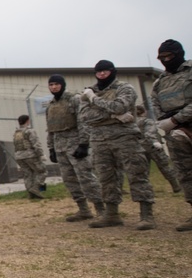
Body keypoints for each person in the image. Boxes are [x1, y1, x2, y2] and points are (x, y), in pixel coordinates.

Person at [78, 60, 155, 229]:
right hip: (99, 140)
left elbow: (119, 106)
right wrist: (112, 115)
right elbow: (85, 116)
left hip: (125, 137)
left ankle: (146, 215)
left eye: (105, 71)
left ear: (113, 71)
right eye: (98, 72)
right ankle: (112, 214)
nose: (101, 75)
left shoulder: (124, 88)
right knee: (106, 177)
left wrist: (95, 100)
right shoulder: (90, 91)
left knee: (136, 173)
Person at [45, 74, 105, 222]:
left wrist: (84, 144)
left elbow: (83, 122)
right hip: (60, 147)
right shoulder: (51, 105)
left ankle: (101, 209)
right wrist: (51, 148)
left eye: (56, 84)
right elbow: (50, 128)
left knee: (85, 177)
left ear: (62, 85)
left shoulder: (74, 99)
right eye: (51, 84)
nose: (54, 87)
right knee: (69, 179)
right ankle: (83, 209)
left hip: (75, 144)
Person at [150, 39, 192, 231]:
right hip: (174, 132)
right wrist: (165, 122)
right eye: (162, 57)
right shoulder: (159, 83)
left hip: (183, 123)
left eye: (169, 56)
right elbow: (156, 104)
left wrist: (177, 119)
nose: (166, 60)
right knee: (185, 172)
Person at [135, 104, 182, 194]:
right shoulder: (147, 121)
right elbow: (149, 134)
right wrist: (155, 142)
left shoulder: (133, 123)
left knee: (143, 170)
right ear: (144, 112)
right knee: (164, 166)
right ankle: (176, 186)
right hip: (152, 147)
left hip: (139, 148)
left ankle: (145, 190)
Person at [13, 115, 47, 199]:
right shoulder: (30, 131)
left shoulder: (16, 132)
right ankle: (36, 189)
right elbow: (36, 143)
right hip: (30, 155)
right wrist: (41, 154)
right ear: (28, 121)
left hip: (19, 156)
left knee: (28, 174)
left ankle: (31, 193)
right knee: (42, 171)